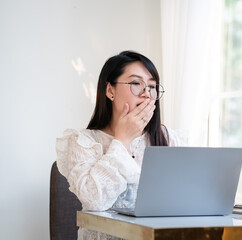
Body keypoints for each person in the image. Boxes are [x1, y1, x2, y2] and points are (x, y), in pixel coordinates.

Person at [56, 51, 186, 240]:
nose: (146, 94)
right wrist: (122, 140)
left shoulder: (170, 139)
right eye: (135, 83)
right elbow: (93, 201)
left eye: (151, 86)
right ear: (110, 91)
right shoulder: (83, 142)